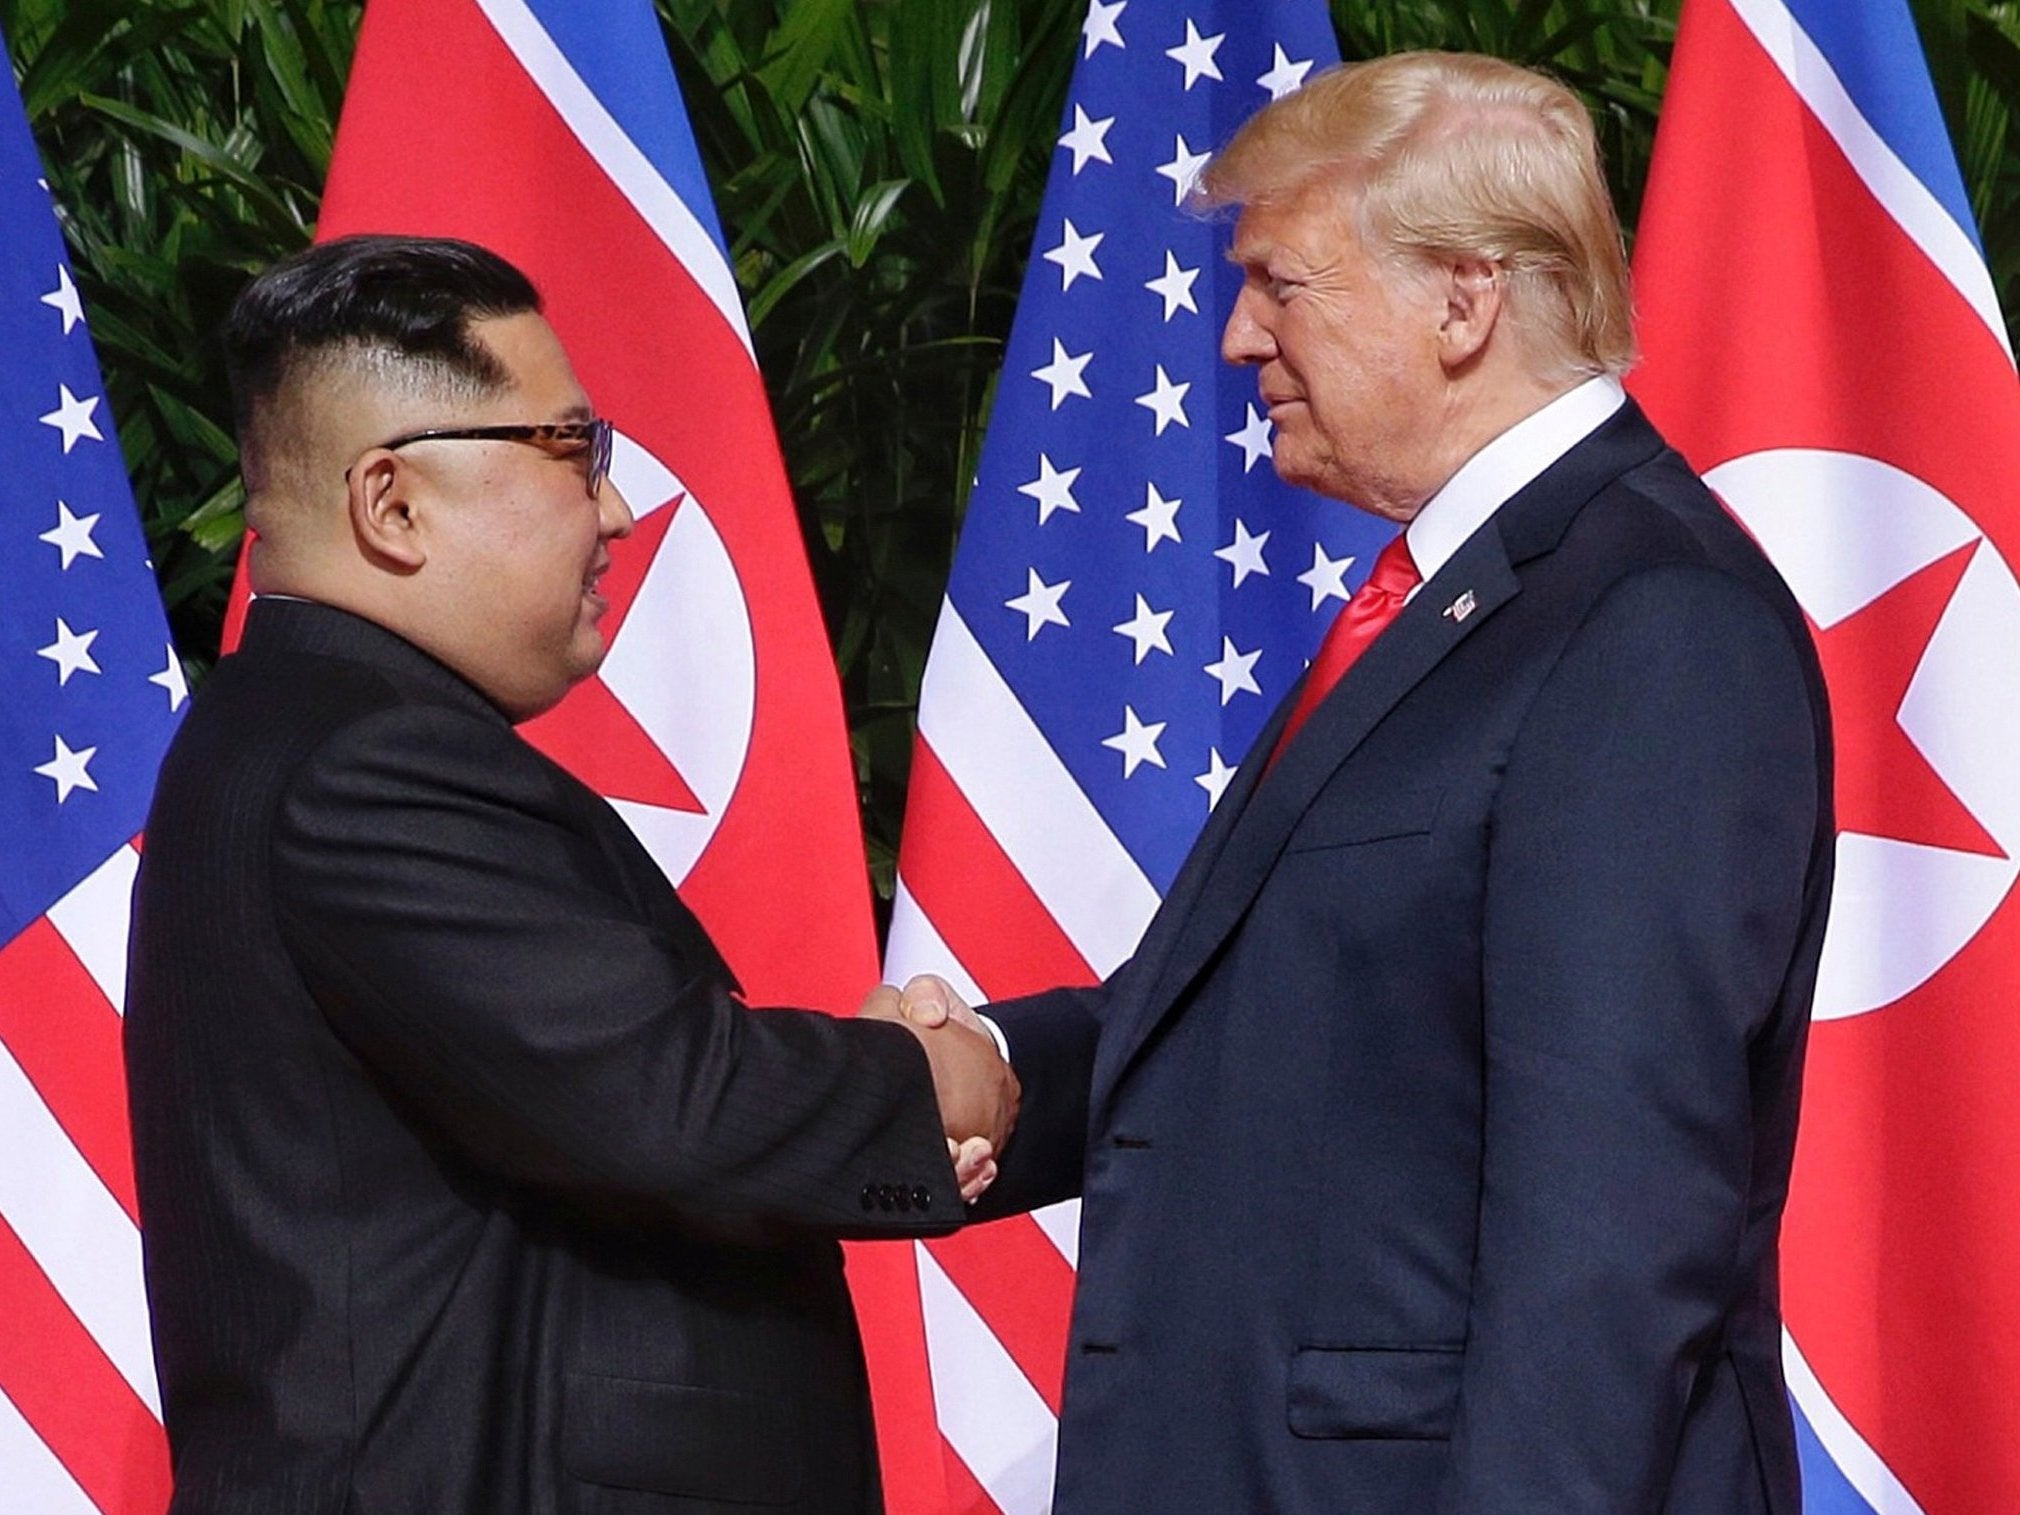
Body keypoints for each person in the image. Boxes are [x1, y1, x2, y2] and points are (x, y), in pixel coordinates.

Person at [898, 51, 1833, 1514]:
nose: (1233, 337)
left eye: (1281, 284)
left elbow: (1608, 1237)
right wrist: (985, 1074)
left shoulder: (1652, 621)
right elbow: (1258, 1023)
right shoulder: (1446, 599)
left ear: (1466, 299)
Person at [124, 234, 1015, 1515]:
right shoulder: (367, 761)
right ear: (392, 503)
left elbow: (613, 1105)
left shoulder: (309, 730)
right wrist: (933, 1078)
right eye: (571, 450)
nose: (614, 506)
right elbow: (677, 1109)